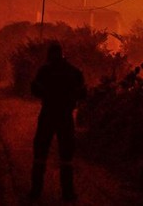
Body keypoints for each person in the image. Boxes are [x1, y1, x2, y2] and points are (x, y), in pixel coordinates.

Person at [29, 41, 87, 201]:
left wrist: (48, 95)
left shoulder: (45, 71)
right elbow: (83, 93)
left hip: (48, 114)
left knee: (40, 153)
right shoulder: (74, 72)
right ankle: (67, 193)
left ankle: (36, 191)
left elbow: (34, 88)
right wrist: (70, 98)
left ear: (49, 55)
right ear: (63, 54)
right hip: (65, 116)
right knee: (66, 157)